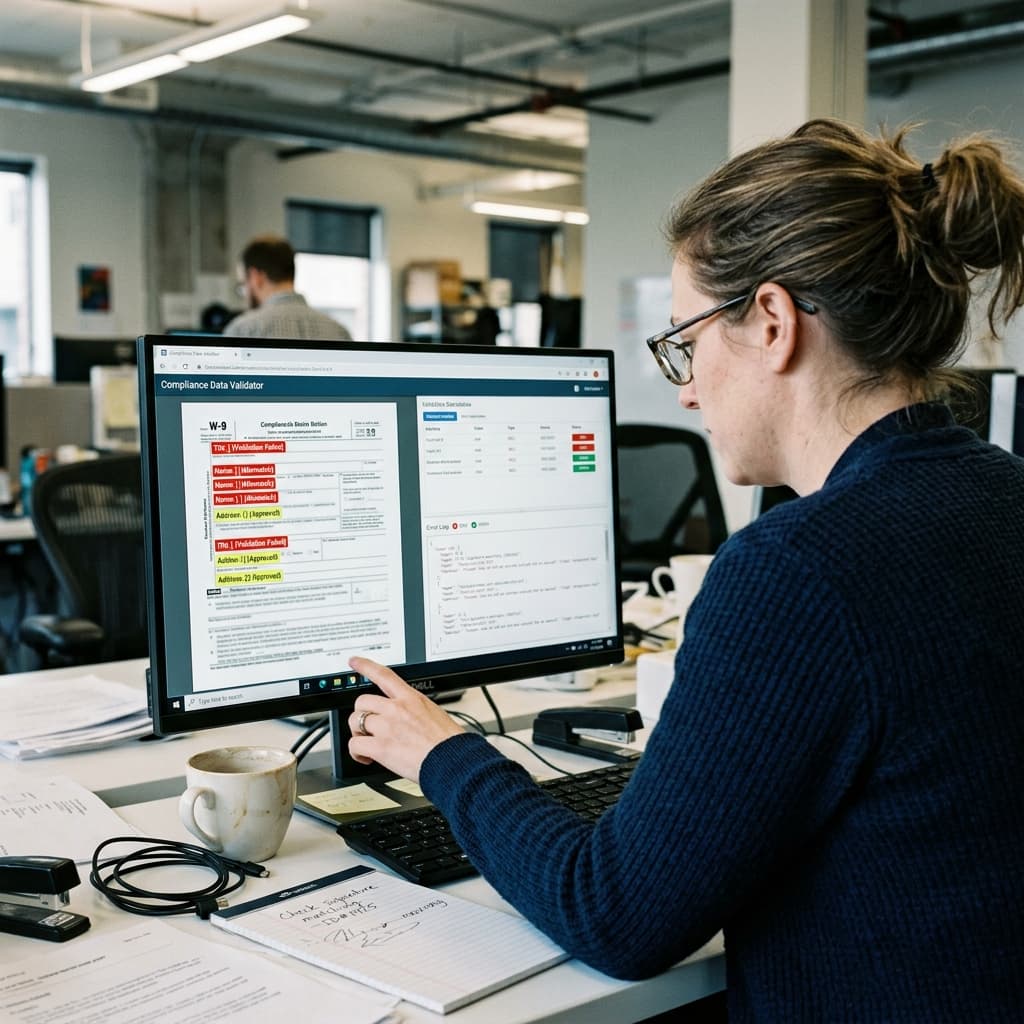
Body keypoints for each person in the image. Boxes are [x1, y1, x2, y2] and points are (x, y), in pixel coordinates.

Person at [343, 119, 1024, 1020]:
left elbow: (618, 914)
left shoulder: (798, 571)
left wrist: (443, 754)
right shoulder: (1006, 491)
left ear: (774, 323)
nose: (687, 388)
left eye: (687, 342)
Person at [223, 235, 352, 341]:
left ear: (256, 277)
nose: (245, 294)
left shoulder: (242, 330)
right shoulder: (339, 332)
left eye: (243, 284)